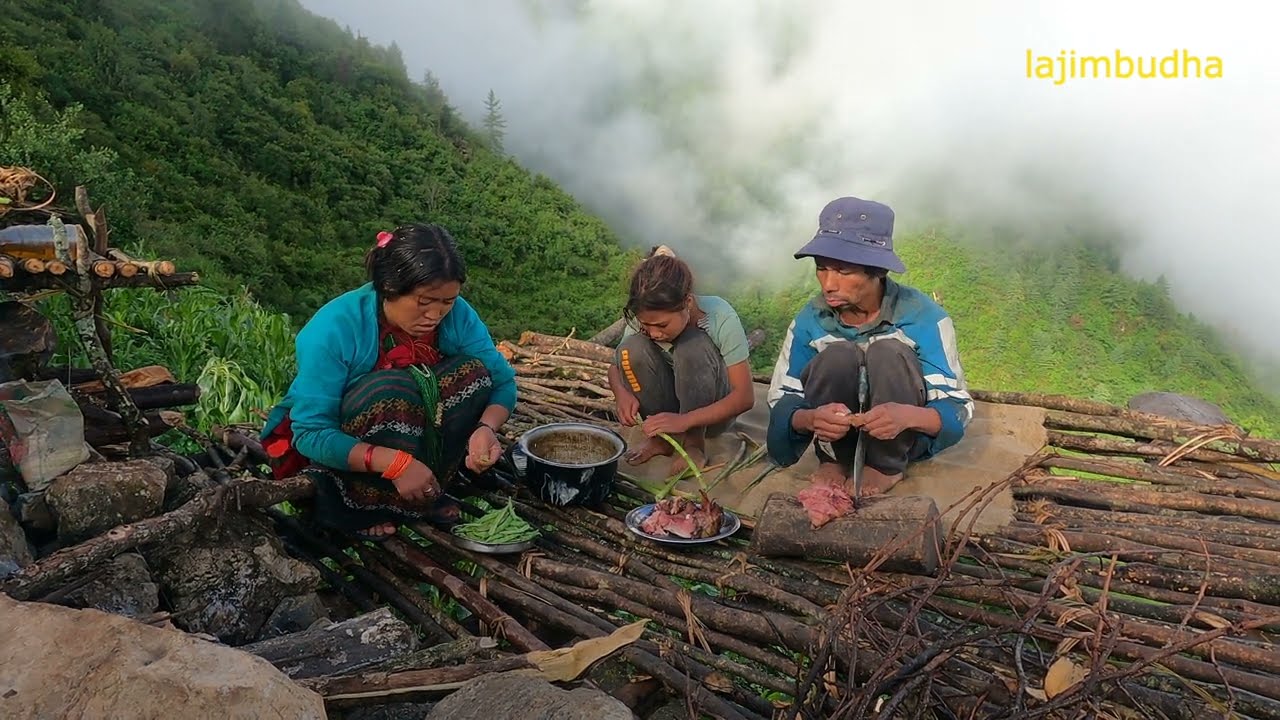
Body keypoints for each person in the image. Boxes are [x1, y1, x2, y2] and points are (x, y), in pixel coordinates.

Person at [260, 223, 517, 540]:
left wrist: (486, 428)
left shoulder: (458, 315)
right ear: (388, 287)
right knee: (390, 391)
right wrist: (394, 464)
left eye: (447, 302)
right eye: (424, 301)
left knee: (472, 374)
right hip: (344, 440)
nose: (436, 314)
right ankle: (357, 507)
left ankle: (426, 491)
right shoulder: (332, 330)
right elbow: (312, 433)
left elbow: (502, 382)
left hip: (411, 429)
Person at [766, 196, 973, 496]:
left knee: (888, 352)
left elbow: (958, 407)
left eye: (844, 272)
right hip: (832, 441)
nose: (828, 284)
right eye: (822, 268)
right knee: (836, 355)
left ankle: (885, 466)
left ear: (878, 271)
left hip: (902, 441)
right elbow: (782, 398)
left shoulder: (925, 319)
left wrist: (906, 416)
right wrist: (811, 419)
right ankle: (834, 460)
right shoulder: (811, 321)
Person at [607, 249, 755, 477]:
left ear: (687, 302)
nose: (654, 333)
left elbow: (745, 397)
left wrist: (686, 421)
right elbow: (616, 366)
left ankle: (694, 446)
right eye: (647, 326)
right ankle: (661, 440)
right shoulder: (644, 320)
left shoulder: (720, 317)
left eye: (662, 326)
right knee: (630, 349)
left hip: (711, 417)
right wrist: (621, 394)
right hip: (666, 418)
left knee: (691, 344)